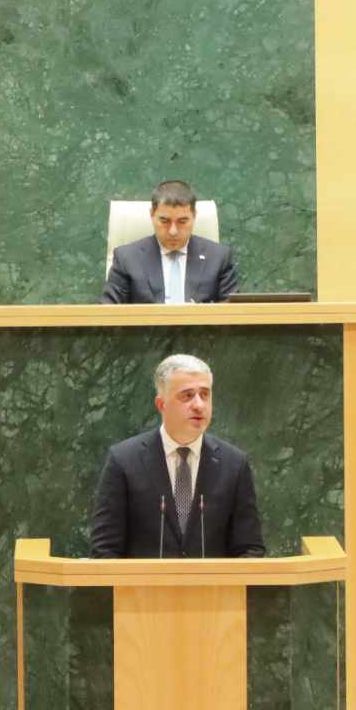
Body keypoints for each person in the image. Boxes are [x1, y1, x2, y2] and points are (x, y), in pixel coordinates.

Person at [89, 353, 265, 559]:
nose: (199, 405)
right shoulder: (124, 460)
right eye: (187, 396)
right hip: (144, 581)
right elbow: (105, 550)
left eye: (205, 395)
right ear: (161, 404)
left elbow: (250, 549)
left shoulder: (234, 464)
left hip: (213, 582)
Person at [100, 180, 240, 304]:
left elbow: (233, 313)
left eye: (182, 221)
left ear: (194, 216)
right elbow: (107, 313)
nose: (173, 231)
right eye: (165, 221)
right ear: (152, 215)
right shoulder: (127, 258)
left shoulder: (219, 258)